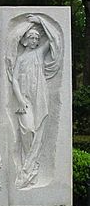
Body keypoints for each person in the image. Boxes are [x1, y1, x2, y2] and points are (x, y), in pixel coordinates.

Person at [12, 15, 61, 189]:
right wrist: (20, 99)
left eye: (36, 38)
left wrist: (41, 21)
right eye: (31, 37)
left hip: (39, 97)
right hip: (25, 99)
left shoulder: (39, 53)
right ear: (24, 40)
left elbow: (54, 38)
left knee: (37, 130)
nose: (34, 40)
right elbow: (15, 80)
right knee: (27, 129)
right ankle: (27, 165)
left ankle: (30, 169)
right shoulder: (20, 59)